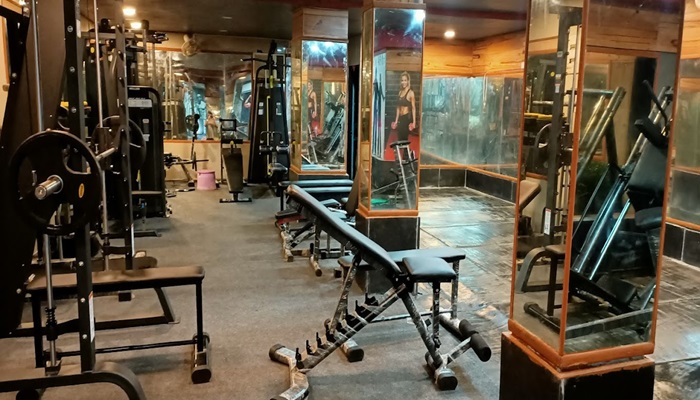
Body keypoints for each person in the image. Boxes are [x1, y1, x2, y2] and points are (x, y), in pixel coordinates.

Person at [391, 72, 417, 142]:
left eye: (405, 80)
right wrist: (396, 121)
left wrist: (414, 122)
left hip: (406, 118)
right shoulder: (400, 92)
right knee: (399, 138)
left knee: (404, 139)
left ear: (408, 81)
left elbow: (413, 108)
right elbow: (398, 107)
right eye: (402, 80)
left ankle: (406, 149)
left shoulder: (411, 93)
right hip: (400, 118)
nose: (403, 82)